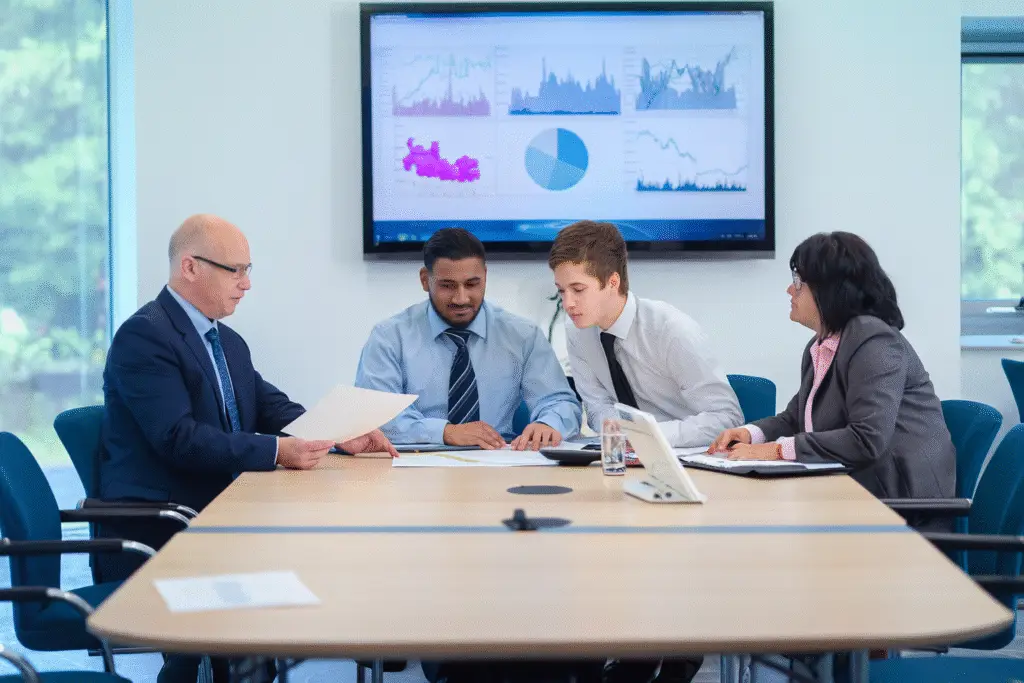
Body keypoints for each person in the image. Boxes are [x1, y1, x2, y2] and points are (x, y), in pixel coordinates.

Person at [101, 214, 397, 683]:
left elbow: (268, 406)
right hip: (164, 523)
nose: (247, 284)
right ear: (191, 267)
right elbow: (178, 439)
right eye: (235, 270)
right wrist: (278, 453)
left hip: (219, 511)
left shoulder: (227, 340)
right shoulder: (145, 337)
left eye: (248, 270)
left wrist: (339, 433)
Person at [549, 220, 740, 683]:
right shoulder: (580, 331)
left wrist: (650, 438)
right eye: (560, 291)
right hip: (626, 467)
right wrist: (616, 438)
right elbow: (595, 407)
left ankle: (676, 655)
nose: (567, 304)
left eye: (577, 289)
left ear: (612, 282)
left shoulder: (671, 330)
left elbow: (726, 417)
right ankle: (610, 651)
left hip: (691, 468)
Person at [708, 231, 955, 505]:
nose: (790, 290)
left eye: (798, 282)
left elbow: (867, 439)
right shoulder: (824, 344)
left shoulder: (875, 340)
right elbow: (796, 417)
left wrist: (775, 450)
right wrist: (751, 434)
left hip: (899, 507)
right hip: (853, 491)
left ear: (829, 289)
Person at [356, 227, 581, 451]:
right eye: (447, 285)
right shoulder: (389, 337)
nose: (461, 298)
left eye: (472, 284)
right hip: (414, 464)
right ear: (425, 280)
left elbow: (561, 403)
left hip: (498, 463)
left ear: (485, 276)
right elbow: (374, 415)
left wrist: (547, 423)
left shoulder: (522, 335)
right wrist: (446, 432)